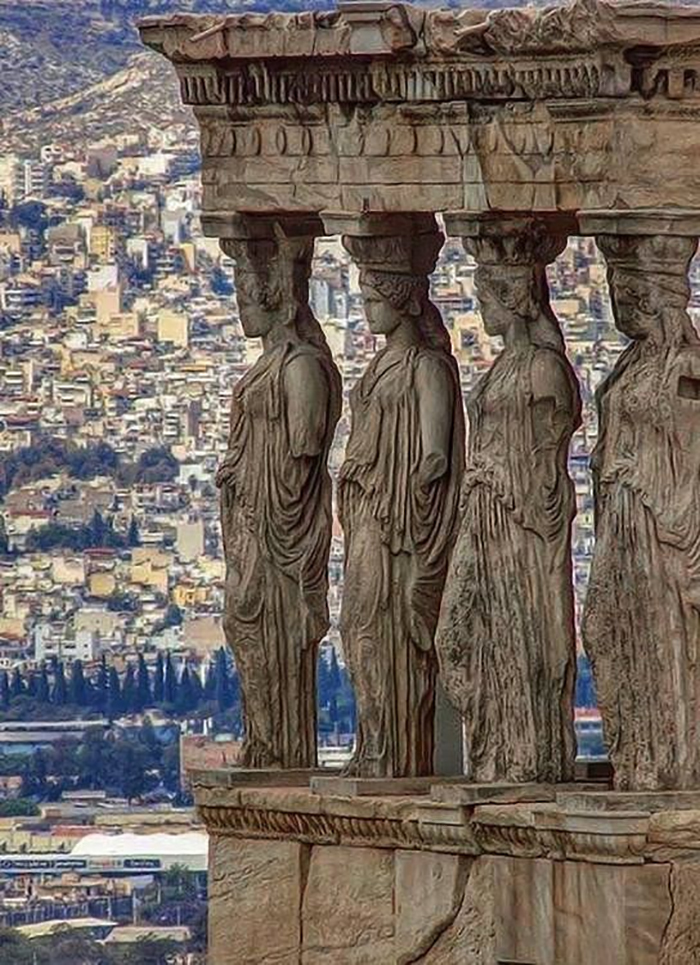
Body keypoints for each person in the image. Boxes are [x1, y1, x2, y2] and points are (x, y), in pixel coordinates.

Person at [437, 232, 581, 783]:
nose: (481, 311)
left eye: (486, 300)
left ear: (514, 299)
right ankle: (495, 747)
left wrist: (510, 491)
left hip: (520, 527)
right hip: (484, 517)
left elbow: (549, 462)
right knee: (457, 633)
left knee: (518, 639)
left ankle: (524, 758)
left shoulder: (545, 370)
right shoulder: (505, 366)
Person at [340, 231, 464, 777]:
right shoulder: (379, 368)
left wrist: (407, 502)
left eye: (372, 299)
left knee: (385, 630)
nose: (366, 310)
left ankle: (397, 754)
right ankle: (374, 745)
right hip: (370, 514)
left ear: (403, 297)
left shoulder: (427, 367)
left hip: (401, 525)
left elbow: (437, 453)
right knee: (359, 628)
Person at [217, 227, 341, 768]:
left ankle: (284, 751)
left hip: (279, 529)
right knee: (245, 627)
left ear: (272, 297)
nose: (241, 307)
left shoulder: (301, 368)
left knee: (275, 628)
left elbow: (305, 450)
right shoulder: (271, 366)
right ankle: (266, 743)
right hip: (252, 523)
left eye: (247, 294)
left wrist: (257, 479)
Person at [583, 234, 700, 790]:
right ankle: (639, 756)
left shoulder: (687, 365)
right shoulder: (634, 362)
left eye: (629, 295)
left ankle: (665, 764)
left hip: (658, 520)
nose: (619, 307)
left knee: (659, 638)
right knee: (604, 627)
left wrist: (683, 528)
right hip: (623, 514)